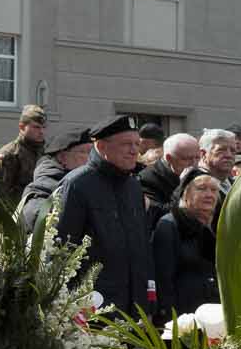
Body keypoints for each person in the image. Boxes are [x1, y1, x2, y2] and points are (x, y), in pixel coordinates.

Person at [55, 116, 156, 316]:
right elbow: (61, 250)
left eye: (137, 144)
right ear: (101, 146)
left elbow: (143, 248)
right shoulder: (77, 185)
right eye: (126, 144)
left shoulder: (133, 186)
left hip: (134, 307)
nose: (134, 151)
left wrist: (149, 299)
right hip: (94, 308)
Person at [153, 173, 221, 318]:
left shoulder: (218, 226)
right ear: (185, 194)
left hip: (213, 315)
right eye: (201, 188)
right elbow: (163, 279)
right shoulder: (170, 225)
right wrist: (170, 318)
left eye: (214, 190)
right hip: (183, 317)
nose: (209, 195)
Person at [17, 126, 92, 232]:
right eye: (86, 152)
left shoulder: (87, 179)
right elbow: (34, 215)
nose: (91, 158)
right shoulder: (46, 182)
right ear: (63, 158)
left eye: (93, 152)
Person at [0, 104, 47, 210]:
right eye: (36, 127)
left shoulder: (46, 153)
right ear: (22, 127)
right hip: (16, 214)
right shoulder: (8, 155)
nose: (41, 132)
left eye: (44, 127)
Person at [140, 132, 201, 218]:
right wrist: (182, 185)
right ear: (169, 158)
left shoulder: (199, 173)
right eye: (187, 159)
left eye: (197, 157)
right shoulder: (147, 179)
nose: (194, 163)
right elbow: (160, 214)